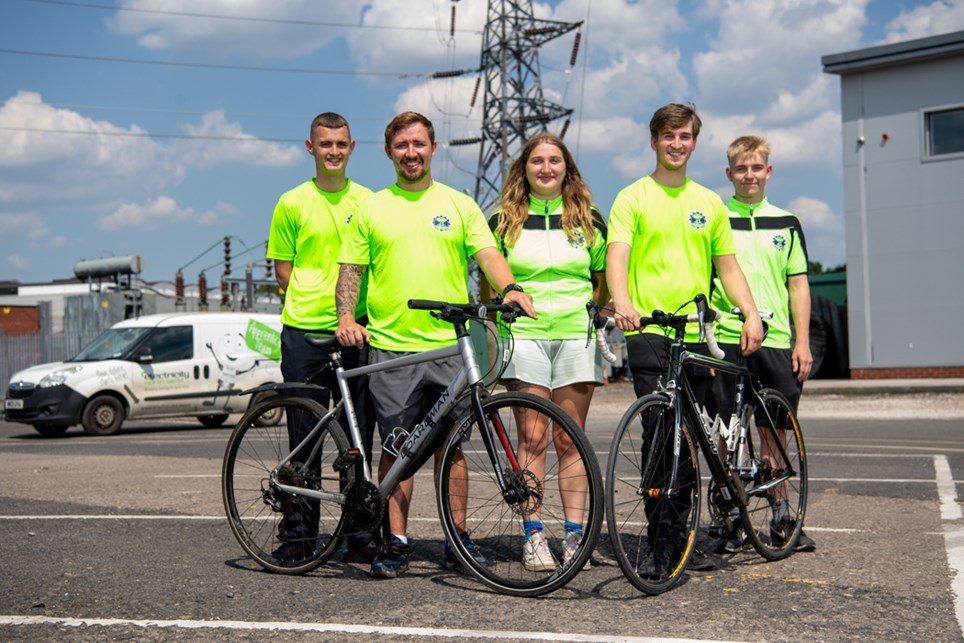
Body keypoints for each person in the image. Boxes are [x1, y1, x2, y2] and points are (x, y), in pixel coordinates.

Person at [335, 111, 536, 579]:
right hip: (391, 346)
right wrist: (347, 316)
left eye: (419, 144)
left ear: (433, 147)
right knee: (397, 448)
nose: (411, 153)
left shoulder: (459, 204)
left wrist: (509, 289)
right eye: (402, 145)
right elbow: (351, 271)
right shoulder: (370, 208)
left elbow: (488, 255)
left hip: (449, 347)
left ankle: (458, 540)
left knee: (453, 447)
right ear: (389, 152)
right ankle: (397, 541)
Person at [606, 103, 764, 572]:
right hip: (650, 331)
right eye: (669, 136)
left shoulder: (709, 202)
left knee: (691, 439)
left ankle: (690, 522)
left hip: (699, 334)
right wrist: (622, 301)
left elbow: (727, 267)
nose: (677, 144)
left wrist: (750, 312)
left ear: (694, 141)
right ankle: (663, 538)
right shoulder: (632, 197)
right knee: (660, 435)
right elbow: (617, 256)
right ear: (653, 141)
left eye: (686, 136)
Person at [485, 132, 608, 571]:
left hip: (577, 334)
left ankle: (575, 538)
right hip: (526, 338)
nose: (546, 168)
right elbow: (490, 279)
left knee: (569, 441)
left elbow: (600, 279)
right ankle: (533, 536)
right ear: (525, 168)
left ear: (567, 167)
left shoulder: (589, 219)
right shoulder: (503, 219)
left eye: (555, 160)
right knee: (532, 439)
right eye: (537, 161)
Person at [266, 111, 377, 563]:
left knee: (357, 438)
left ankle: (359, 535)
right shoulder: (291, 202)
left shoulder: (369, 201)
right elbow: (283, 271)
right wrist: (315, 303)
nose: (334, 151)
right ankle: (298, 534)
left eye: (341, 144)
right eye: (325, 144)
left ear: (353, 148)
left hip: (359, 330)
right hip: (304, 334)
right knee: (305, 438)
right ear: (310, 148)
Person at [708, 135, 816, 552]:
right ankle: (729, 516)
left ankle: (781, 516)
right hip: (728, 339)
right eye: (741, 169)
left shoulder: (786, 222)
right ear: (729, 173)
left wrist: (802, 341)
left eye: (756, 168)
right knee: (725, 430)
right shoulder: (718, 218)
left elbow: (799, 285)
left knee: (773, 431)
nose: (749, 175)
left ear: (768, 172)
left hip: (777, 340)